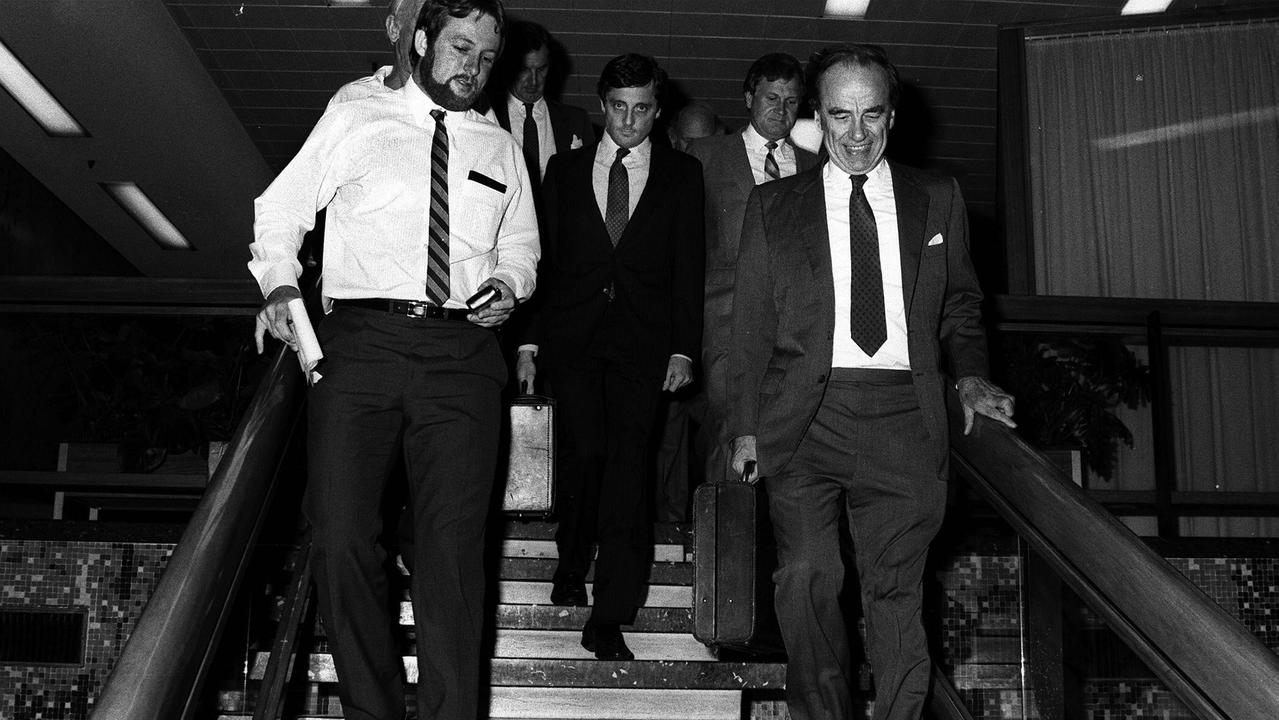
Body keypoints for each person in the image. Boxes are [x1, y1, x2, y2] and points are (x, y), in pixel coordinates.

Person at [249, 1, 539, 718]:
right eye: (458, 47)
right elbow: (280, 208)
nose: (471, 67)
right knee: (342, 536)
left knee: (453, 554)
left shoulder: (499, 144)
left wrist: (507, 284)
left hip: (463, 357)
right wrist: (281, 286)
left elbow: (523, 248)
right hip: (362, 348)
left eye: (484, 56)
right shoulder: (356, 110)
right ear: (420, 41)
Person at [724, 44, 1015, 720]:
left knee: (894, 592)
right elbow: (748, 331)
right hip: (804, 414)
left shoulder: (935, 197)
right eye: (839, 116)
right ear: (814, 117)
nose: (856, 136)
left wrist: (970, 377)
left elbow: (961, 305)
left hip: (902, 419)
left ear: (892, 115)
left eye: (871, 116)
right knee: (805, 576)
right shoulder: (773, 207)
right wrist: (742, 426)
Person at [516, 53, 704, 661]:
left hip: (644, 347)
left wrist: (683, 347)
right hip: (572, 339)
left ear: (658, 109)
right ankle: (571, 560)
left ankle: (609, 615)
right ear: (602, 107)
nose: (630, 120)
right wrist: (529, 342)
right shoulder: (563, 171)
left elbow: (689, 268)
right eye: (619, 108)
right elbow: (539, 263)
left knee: (629, 468)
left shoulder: (682, 176)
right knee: (585, 453)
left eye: (643, 109)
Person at [688, 52, 818, 486]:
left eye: (792, 101)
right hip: (725, 325)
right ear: (748, 97)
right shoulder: (704, 157)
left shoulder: (816, 167)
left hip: (794, 331)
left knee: (787, 440)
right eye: (771, 98)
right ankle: (720, 547)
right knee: (730, 432)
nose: (781, 110)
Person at [489, 21, 594, 188]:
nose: (533, 80)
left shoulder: (576, 120)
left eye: (541, 69)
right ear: (508, 67)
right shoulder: (487, 117)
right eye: (524, 69)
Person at [328, 0, 424, 105]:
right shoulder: (352, 99)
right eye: (423, 28)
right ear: (393, 29)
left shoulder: (443, 104)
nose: (432, 42)